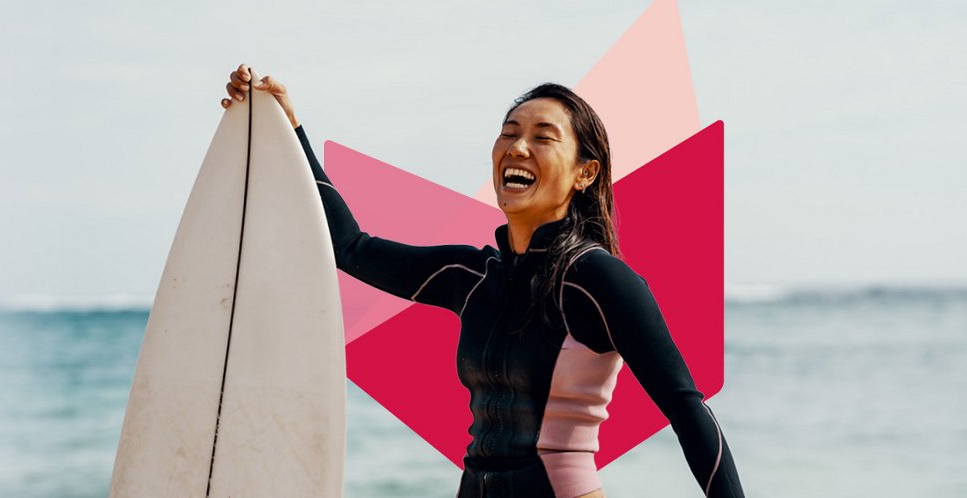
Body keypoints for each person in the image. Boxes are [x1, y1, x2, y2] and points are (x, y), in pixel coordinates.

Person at [219, 64, 744, 498]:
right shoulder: (470, 276)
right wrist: (288, 130)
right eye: (509, 132)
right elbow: (348, 248)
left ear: (585, 173)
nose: (517, 147)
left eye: (543, 138)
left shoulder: (597, 280)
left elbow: (686, 408)